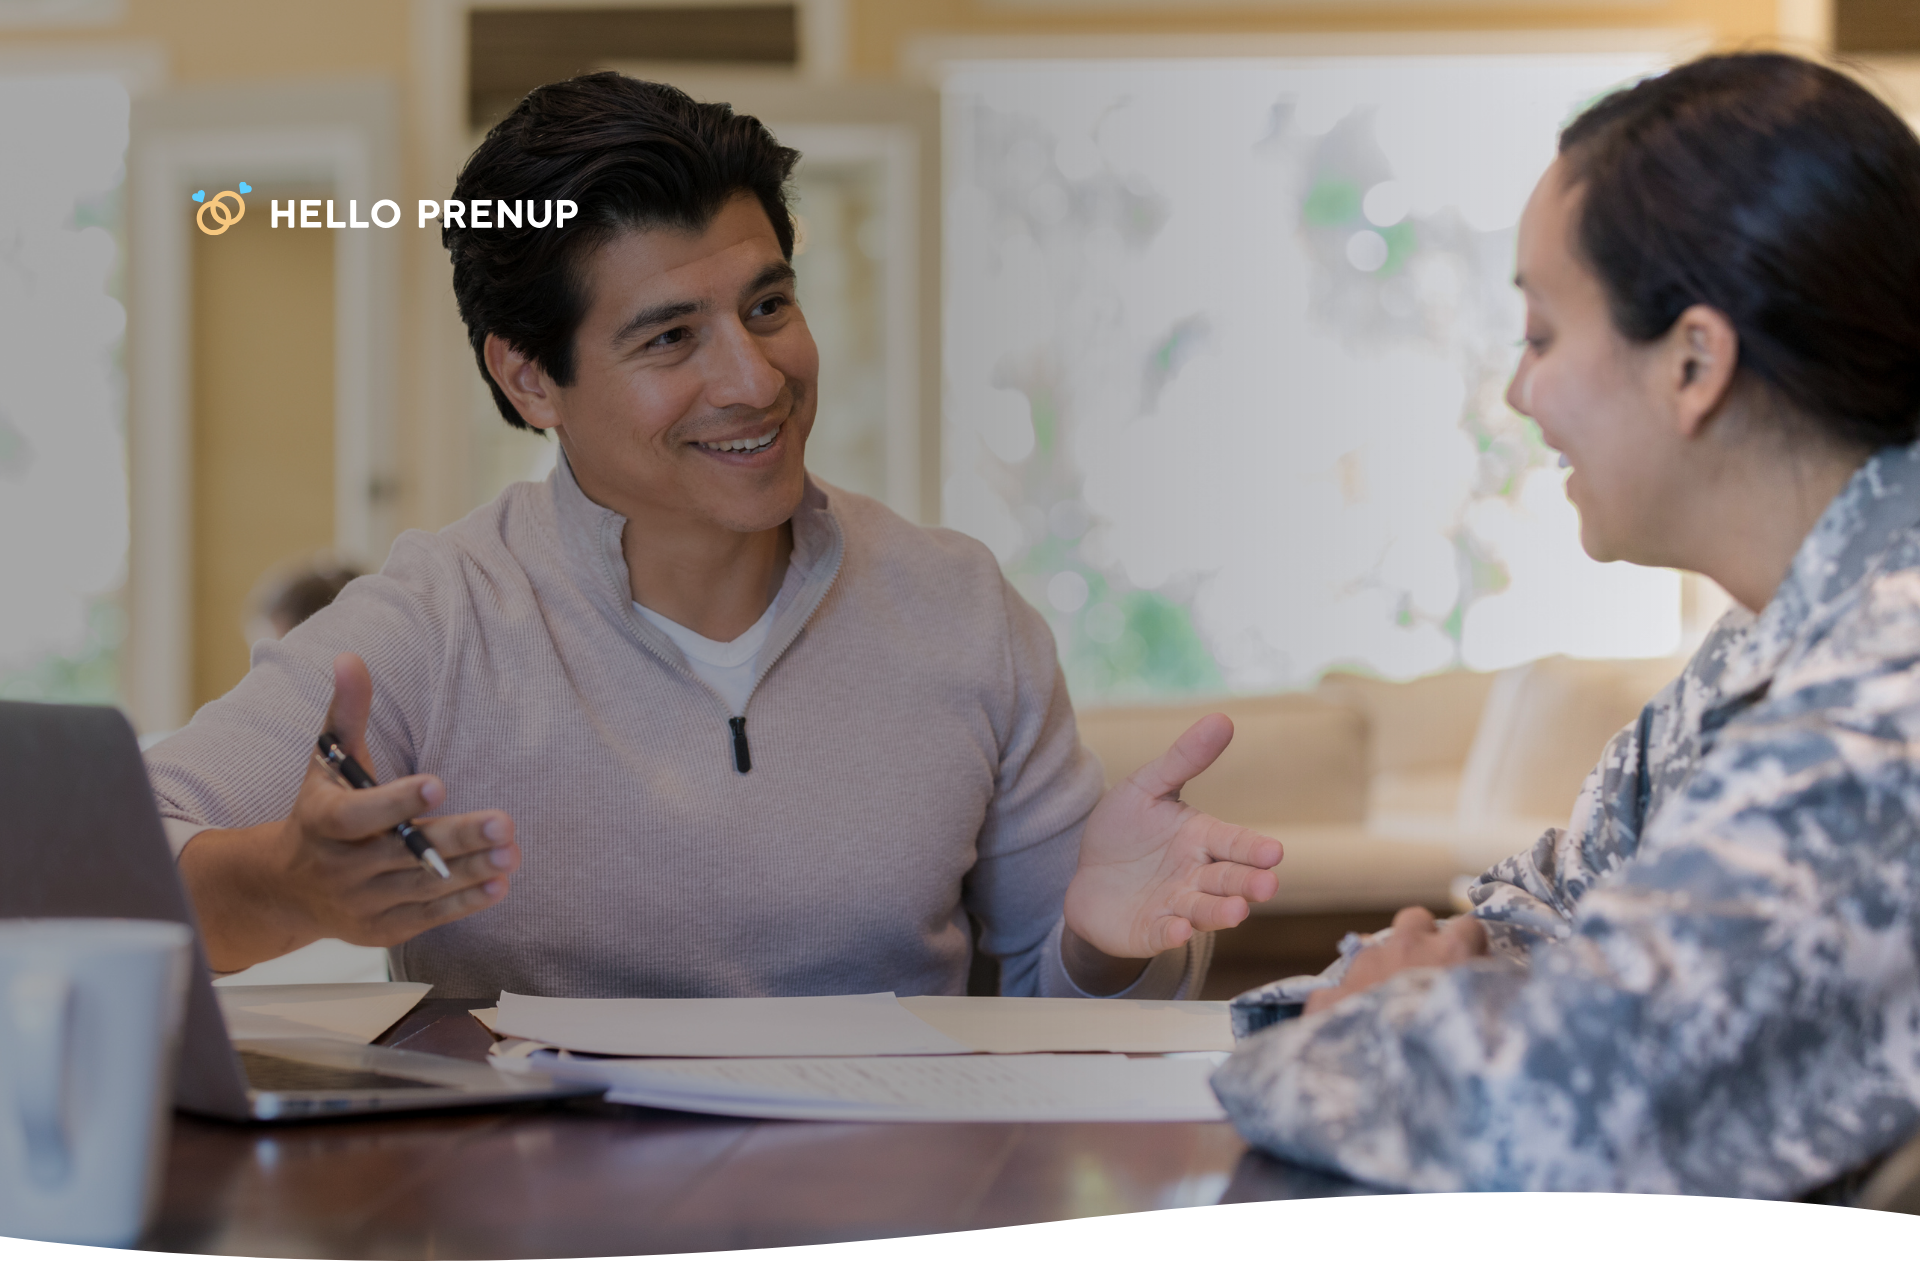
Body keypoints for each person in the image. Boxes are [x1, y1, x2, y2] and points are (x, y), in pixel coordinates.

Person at [144, 73, 1282, 1001]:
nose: (754, 377)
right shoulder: (436, 622)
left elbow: (1054, 1006)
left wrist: (1106, 941)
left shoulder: (960, 607)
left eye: (768, 306)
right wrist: (284, 887)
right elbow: (105, 863)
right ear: (530, 375)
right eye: (671, 337)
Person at [1214, 51, 1920, 1198]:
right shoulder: (1768, 647)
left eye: (1540, 335)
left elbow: (1535, 1112)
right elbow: (1531, 916)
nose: (1518, 393)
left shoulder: (1886, 698)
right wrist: (1422, 997)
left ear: (1693, 360)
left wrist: (1381, 1019)